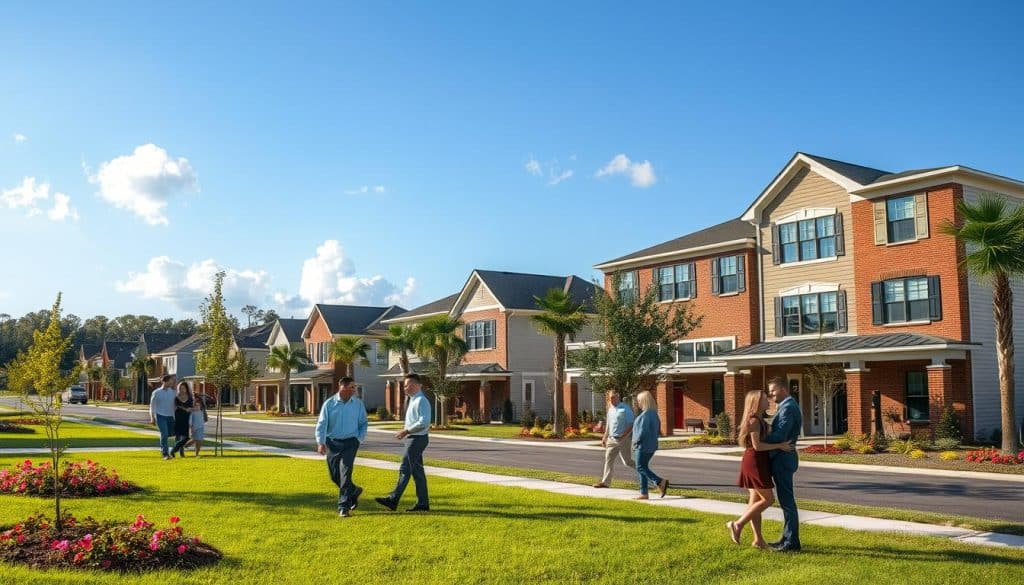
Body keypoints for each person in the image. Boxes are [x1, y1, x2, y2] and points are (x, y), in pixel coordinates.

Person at [727, 390, 794, 548]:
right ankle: (737, 525)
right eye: (765, 399)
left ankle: (758, 540)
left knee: (755, 501)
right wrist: (780, 445)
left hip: (757, 461)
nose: (768, 400)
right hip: (755, 462)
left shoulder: (757, 419)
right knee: (768, 499)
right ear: (756, 402)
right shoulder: (754, 420)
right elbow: (757, 446)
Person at [375, 373, 431, 512]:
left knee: (405, 469)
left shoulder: (421, 400)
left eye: (406, 385)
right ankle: (423, 504)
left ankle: (393, 500)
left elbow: (424, 423)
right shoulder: (413, 400)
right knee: (417, 472)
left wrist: (406, 431)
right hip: (414, 438)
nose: (404, 388)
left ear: (414, 385)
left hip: (417, 439)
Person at [315, 377, 369, 517]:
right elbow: (321, 424)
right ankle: (354, 490)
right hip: (332, 442)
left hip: (351, 443)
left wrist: (359, 438)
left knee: (345, 473)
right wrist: (321, 442)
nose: (354, 390)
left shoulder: (358, 404)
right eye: (352, 387)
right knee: (334, 476)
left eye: (354, 387)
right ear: (342, 387)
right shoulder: (329, 404)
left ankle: (343, 506)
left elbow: (363, 423)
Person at [763, 376, 803, 552]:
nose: (770, 394)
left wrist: (758, 437)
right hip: (783, 457)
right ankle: (786, 538)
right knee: (785, 501)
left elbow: (781, 435)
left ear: (782, 389)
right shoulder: (786, 406)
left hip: (784, 458)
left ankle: (791, 543)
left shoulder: (788, 408)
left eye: (772, 390)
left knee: (787, 502)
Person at [592, 390, 635, 488]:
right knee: (608, 459)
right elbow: (608, 424)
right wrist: (604, 437)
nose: (611, 400)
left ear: (618, 396)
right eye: (610, 398)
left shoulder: (625, 408)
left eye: (613, 397)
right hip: (611, 439)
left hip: (623, 440)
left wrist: (623, 437)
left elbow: (631, 424)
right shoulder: (610, 409)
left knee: (627, 462)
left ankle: (649, 479)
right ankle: (605, 482)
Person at [631, 390, 669, 500]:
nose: (637, 403)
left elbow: (641, 432)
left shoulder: (645, 415)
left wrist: (635, 442)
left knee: (640, 467)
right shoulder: (654, 414)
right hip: (652, 445)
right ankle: (644, 493)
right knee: (643, 467)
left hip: (643, 446)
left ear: (644, 401)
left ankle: (660, 481)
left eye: (639, 401)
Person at [149, 374, 177, 460]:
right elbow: (152, 406)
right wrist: (152, 417)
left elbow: (177, 404)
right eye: (171, 380)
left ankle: (173, 450)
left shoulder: (173, 393)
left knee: (172, 434)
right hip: (160, 416)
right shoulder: (156, 392)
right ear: (165, 381)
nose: (172, 382)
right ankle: (165, 454)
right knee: (164, 434)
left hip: (171, 417)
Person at [170, 382, 194, 458]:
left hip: (186, 418)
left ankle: (174, 450)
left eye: (183, 388)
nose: (182, 389)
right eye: (180, 388)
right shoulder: (176, 397)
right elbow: (177, 406)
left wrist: (190, 409)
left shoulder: (190, 397)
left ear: (186, 389)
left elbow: (191, 407)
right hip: (178, 418)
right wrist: (185, 409)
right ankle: (180, 452)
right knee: (178, 436)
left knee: (186, 437)